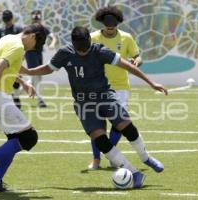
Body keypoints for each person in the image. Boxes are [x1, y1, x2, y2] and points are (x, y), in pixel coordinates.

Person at [21, 26, 168, 188]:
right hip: (83, 103)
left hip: (105, 96)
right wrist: (28, 71)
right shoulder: (65, 53)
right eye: (80, 50)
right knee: (100, 140)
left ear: (90, 42)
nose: (83, 52)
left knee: (127, 127)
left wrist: (151, 83)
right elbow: (48, 68)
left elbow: (127, 66)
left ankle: (145, 157)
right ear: (74, 44)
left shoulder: (100, 50)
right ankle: (133, 172)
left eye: (86, 49)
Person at [0, 24, 47, 192]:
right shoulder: (18, 46)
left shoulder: (7, 39)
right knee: (29, 137)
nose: (34, 49)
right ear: (33, 36)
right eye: (37, 45)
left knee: (15, 140)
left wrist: (24, 82)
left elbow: (9, 65)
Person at [88, 6, 158, 171]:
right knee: (97, 124)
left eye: (113, 26)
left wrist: (137, 61)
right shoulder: (92, 38)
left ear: (118, 23)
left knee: (119, 123)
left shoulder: (126, 38)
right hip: (97, 87)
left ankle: (111, 154)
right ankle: (96, 159)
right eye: (107, 26)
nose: (110, 29)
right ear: (102, 23)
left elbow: (137, 56)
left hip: (121, 87)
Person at [24, 10, 58, 108]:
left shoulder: (43, 28)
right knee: (35, 76)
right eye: (35, 19)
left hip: (38, 54)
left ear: (40, 18)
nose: (36, 21)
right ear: (31, 19)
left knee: (37, 77)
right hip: (30, 53)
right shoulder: (28, 29)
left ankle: (19, 90)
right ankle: (40, 100)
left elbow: (53, 37)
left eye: (38, 19)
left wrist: (52, 43)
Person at [0, 10, 23, 110]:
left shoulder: (18, 29)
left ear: (12, 19)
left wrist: (21, 61)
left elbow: (22, 46)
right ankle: (9, 100)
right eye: (5, 20)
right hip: (3, 58)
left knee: (15, 80)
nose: (7, 22)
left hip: (15, 58)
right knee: (5, 79)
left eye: (8, 20)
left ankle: (16, 97)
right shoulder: (0, 31)